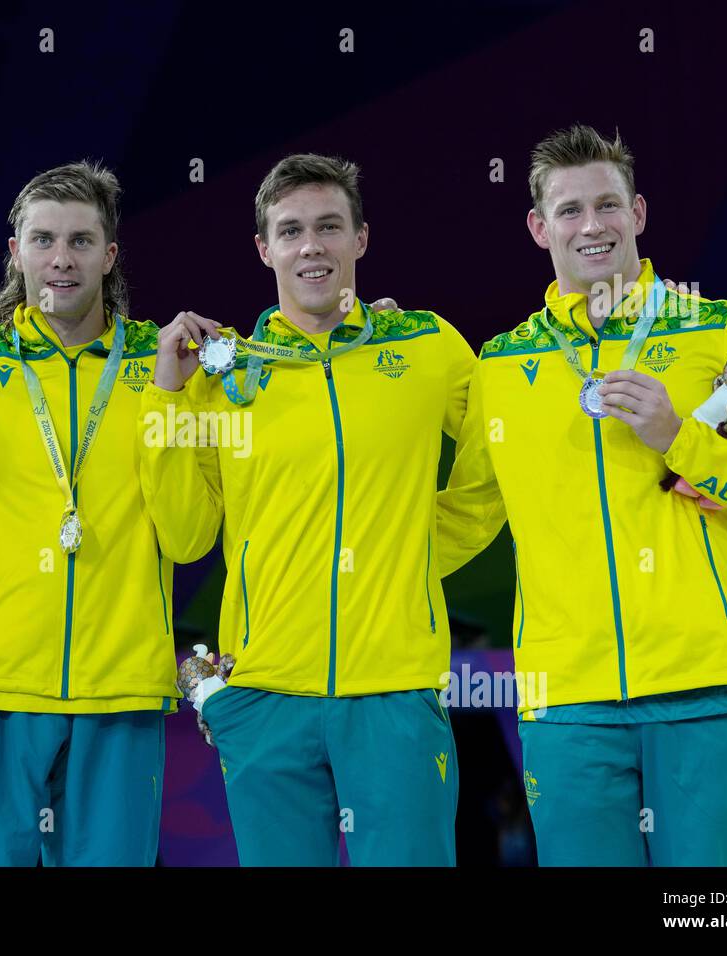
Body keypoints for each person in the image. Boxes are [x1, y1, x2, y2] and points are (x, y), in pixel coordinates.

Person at [437, 123, 727, 865]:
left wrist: (681, 437)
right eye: (569, 210)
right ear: (537, 226)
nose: (591, 226)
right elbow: (461, 521)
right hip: (568, 706)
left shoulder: (721, 331)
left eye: (607, 205)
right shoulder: (501, 364)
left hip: (706, 689)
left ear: (639, 214)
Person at [139, 153, 476, 865]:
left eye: (329, 226)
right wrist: (167, 400)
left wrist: (415, 555)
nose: (311, 246)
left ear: (361, 239)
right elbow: (186, 534)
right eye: (291, 231)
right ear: (265, 249)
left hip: (395, 692)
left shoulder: (426, 348)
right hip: (263, 701)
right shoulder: (226, 376)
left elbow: (498, 466)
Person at [0, 161, 197, 866]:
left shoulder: (158, 367)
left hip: (120, 694)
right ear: (15, 252)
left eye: (81, 241)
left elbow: (191, 531)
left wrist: (168, 399)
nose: (61, 260)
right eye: (42, 240)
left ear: (110, 254)